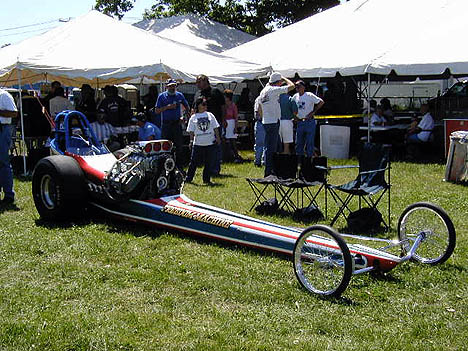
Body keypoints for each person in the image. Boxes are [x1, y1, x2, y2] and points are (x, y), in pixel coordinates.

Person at [258, 72, 295, 176]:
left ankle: (272, 170)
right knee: (272, 149)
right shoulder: (273, 90)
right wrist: (284, 78)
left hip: (267, 121)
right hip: (273, 122)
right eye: (280, 83)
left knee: (272, 147)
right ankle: (269, 172)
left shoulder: (263, 91)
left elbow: (260, 107)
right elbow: (292, 86)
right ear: (278, 82)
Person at [185, 97, 221, 185]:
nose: (205, 106)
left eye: (206, 104)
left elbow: (215, 127)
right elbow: (191, 131)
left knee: (208, 162)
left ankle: (206, 179)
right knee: (193, 162)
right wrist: (191, 141)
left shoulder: (210, 115)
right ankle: (189, 178)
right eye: (203, 104)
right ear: (199, 106)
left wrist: (218, 138)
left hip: (210, 142)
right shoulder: (193, 117)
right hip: (198, 143)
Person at [155, 79, 190, 167]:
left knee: (179, 146)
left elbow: (187, 107)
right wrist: (167, 107)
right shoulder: (162, 96)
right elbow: (157, 111)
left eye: (174, 86)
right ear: (166, 87)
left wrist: (183, 117)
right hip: (166, 125)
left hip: (177, 124)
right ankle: (165, 165)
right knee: (165, 145)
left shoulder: (179, 95)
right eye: (170, 86)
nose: (172, 88)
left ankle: (179, 166)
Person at [195, 74, 225, 176]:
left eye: (199, 82)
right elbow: (194, 108)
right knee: (204, 147)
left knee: (215, 145)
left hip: (215, 123)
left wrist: (224, 120)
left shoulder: (215, 91)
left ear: (205, 81)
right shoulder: (198, 94)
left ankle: (215, 169)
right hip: (201, 125)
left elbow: (223, 107)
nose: (197, 84)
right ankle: (207, 169)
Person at [293, 80, 324, 159]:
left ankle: (309, 161)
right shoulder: (295, 96)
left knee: (309, 143)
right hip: (300, 122)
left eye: (298, 86)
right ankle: (299, 161)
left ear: (303, 87)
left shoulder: (309, 95)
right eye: (295, 86)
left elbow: (321, 102)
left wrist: (313, 112)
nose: (297, 88)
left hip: (309, 122)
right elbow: (292, 107)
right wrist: (294, 116)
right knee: (299, 143)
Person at [0, 88, 18, 205]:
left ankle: (8, 194)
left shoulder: (4, 95)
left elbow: (14, 113)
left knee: (3, 161)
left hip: (3, 129)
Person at [223, 89, 242, 162]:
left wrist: (235, 127)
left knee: (232, 141)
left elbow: (236, 117)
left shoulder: (233, 105)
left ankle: (236, 155)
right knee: (225, 141)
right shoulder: (223, 105)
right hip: (225, 122)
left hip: (231, 123)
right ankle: (226, 156)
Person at [253, 94, 265, 167]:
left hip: (263, 122)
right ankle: (258, 161)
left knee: (263, 144)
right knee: (260, 144)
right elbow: (258, 112)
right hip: (261, 122)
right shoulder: (259, 99)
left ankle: (263, 161)